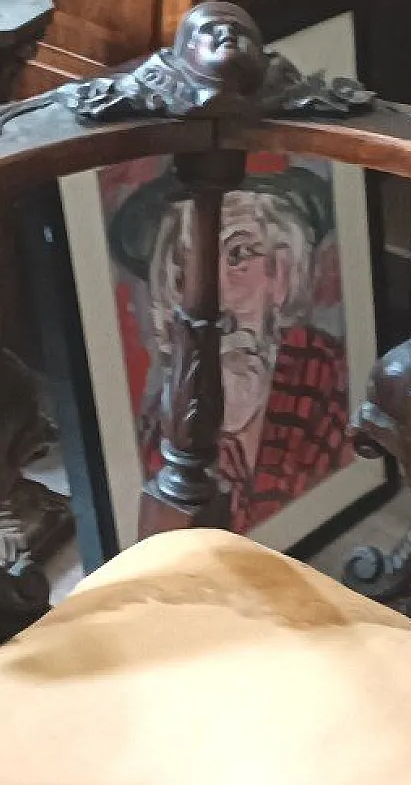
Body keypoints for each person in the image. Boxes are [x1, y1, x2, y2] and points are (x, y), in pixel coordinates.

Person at [108, 166, 351, 531]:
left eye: (239, 255)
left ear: (280, 275)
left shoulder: (325, 375)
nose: (217, 299)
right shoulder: (163, 437)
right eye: (186, 272)